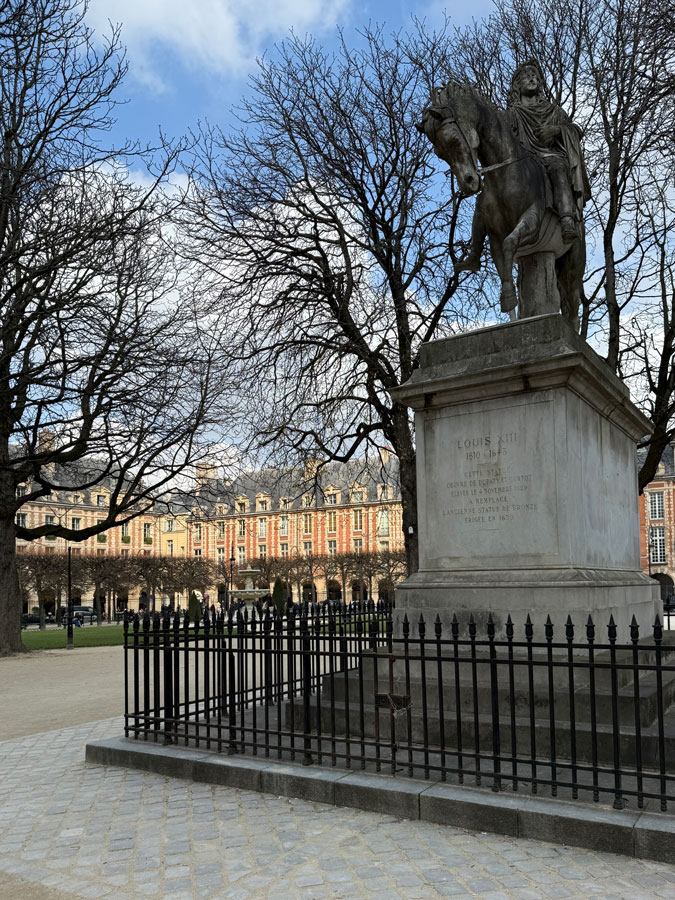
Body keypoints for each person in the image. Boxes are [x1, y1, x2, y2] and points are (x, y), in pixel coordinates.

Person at [506, 59, 591, 243]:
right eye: (526, 76)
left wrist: (557, 130)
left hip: (550, 157)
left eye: (535, 76)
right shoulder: (513, 114)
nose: (532, 78)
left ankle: (567, 219)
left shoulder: (554, 111)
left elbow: (576, 131)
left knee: (558, 166)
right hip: (524, 161)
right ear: (517, 85)